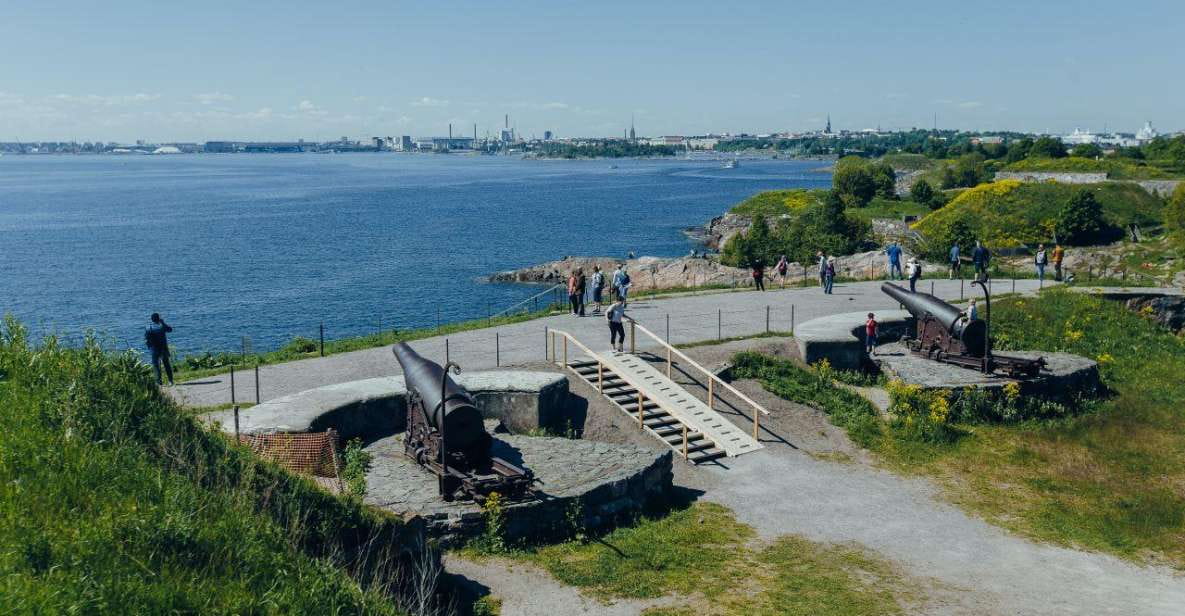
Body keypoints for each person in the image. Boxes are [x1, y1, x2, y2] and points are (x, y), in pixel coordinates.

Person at [145, 313, 174, 386]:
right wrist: (163, 322)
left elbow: (146, 339)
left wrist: (149, 348)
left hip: (154, 349)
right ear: (159, 319)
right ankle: (170, 381)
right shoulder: (162, 326)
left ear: (152, 319)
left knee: (156, 366)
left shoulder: (148, 327)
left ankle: (159, 382)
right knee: (166, 364)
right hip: (163, 348)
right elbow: (170, 329)